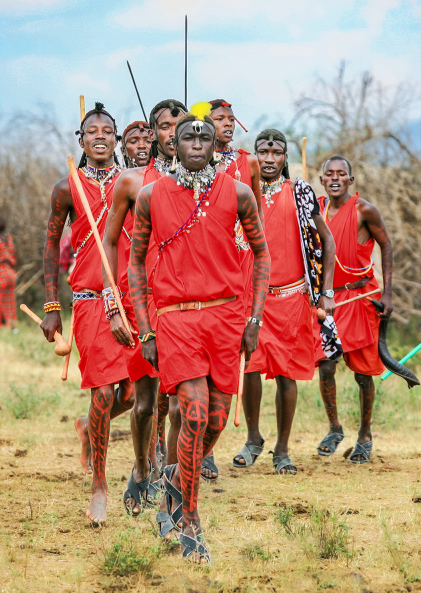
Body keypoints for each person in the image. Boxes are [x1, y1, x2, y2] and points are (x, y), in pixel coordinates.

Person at [127, 103, 269, 562]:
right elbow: (135, 264)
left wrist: (253, 319)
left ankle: (172, 476)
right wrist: (146, 329)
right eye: (186, 137)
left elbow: (263, 258)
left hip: (226, 319)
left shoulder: (240, 193)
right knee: (190, 413)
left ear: (214, 146)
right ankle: (190, 520)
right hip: (177, 319)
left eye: (203, 138)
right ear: (172, 144)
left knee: (213, 422)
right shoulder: (151, 195)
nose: (195, 144)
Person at [39, 102, 134, 524]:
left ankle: (87, 425)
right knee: (104, 393)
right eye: (91, 130)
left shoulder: (135, 181)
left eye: (107, 130)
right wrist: (52, 306)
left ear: (116, 138)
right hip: (91, 301)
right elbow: (49, 246)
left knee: (130, 396)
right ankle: (99, 481)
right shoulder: (66, 187)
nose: (100, 136)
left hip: (132, 300)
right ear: (81, 140)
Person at [233, 129, 336, 475]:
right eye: (263, 151)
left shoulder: (301, 192)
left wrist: (327, 292)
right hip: (253, 298)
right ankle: (252, 438)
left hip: (292, 298)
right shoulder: (243, 192)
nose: (269, 158)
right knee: (249, 368)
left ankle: (282, 449)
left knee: (285, 377)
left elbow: (327, 241)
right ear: (255, 155)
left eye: (277, 153)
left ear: (285, 157)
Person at [101, 100, 186, 517]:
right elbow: (109, 241)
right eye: (166, 127)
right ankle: (139, 467)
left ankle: (171, 480)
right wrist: (112, 304)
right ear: (154, 135)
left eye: (181, 125)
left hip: (185, 304)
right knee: (146, 403)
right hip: (142, 303)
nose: (174, 133)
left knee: (180, 403)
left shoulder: (204, 183)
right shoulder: (132, 182)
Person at [314, 156, 393, 463]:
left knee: (362, 373)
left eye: (341, 174)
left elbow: (386, 246)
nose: (335, 178)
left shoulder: (364, 210)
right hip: (329, 301)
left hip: (360, 298)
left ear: (350, 180)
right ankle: (334, 427)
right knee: (326, 363)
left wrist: (389, 293)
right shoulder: (316, 210)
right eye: (329, 174)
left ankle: (365, 435)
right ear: (322, 180)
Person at [201, 99, 263, 480]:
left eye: (229, 119)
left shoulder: (249, 162)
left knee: (237, 354)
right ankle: (202, 450)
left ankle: (216, 443)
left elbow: (254, 210)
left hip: (244, 264)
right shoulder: (198, 161)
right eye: (218, 119)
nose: (226, 123)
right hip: (211, 266)